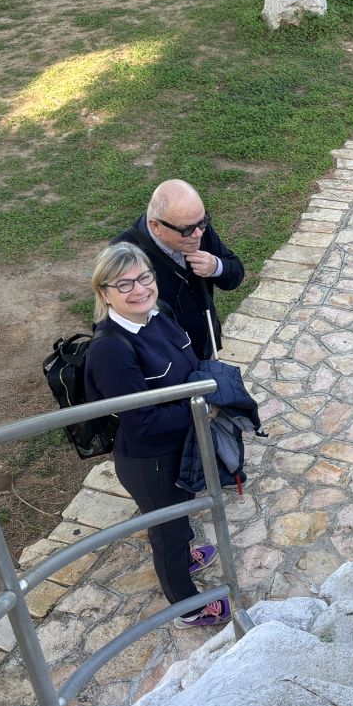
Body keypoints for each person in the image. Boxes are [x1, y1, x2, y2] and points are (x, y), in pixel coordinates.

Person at [85, 242, 230, 629]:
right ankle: (187, 607)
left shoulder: (158, 313)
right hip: (150, 461)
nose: (139, 289)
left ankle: (183, 557)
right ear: (105, 293)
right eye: (124, 284)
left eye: (144, 277)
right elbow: (143, 421)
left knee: (181, 513)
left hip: (180, 444)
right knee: (167, 534)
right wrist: (203, 408)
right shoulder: (110, 351)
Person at [115, 179, 245, 361]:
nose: (198, 234)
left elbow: (236, 274)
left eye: (203, 221)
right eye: (187, 230)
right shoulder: (123, 255)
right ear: (155, 226)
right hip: (166, 360)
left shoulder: (196, 227)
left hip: (205, 347)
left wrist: (216, 267)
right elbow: (117, 320)